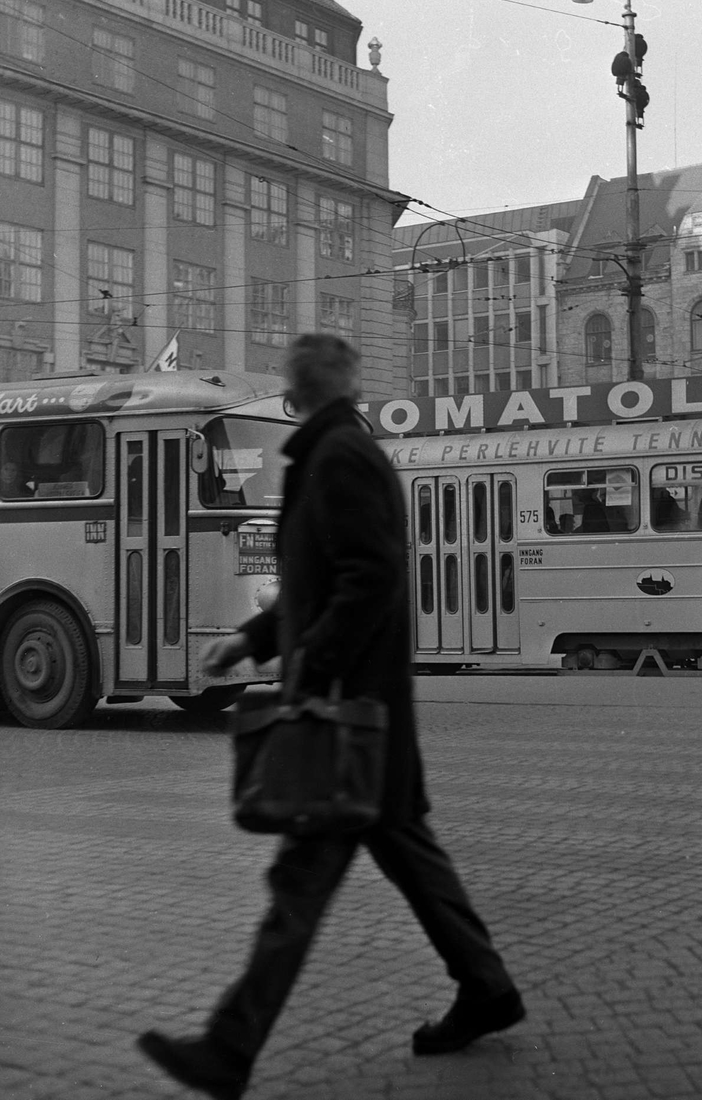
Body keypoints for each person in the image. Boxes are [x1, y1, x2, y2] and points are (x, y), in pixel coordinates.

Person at [137, 335, 523, 1100]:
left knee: (297, 888)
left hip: (346, 714)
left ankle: (228, 1048)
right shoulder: (340, 450)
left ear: (295, 390)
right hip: (369, 712)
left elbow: (367, 578)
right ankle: (486, 988)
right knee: (409, 855)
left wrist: (310, 661)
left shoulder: (338, 457)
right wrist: (251, 640)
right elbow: (328, 582)